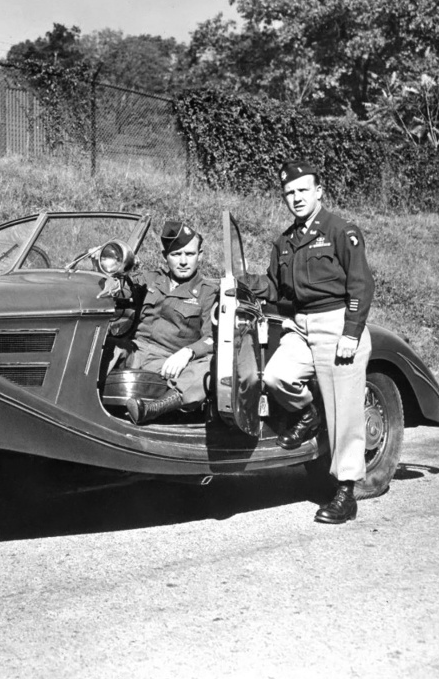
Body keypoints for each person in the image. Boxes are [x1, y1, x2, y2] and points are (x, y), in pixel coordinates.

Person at [245, 160, 375, 524]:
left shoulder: (340, 230)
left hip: (336, 326)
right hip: (300, 325)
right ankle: (308, 414)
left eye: (303, 190)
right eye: (289, 192)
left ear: (319, 192)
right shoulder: (285, 241)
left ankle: (346, 492)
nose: (296, 197)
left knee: (345, 412)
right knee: (276, 376)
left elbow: (360, 285)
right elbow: (275, 288)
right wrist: (245, 283)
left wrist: (351, 332)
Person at [123, 221, 217, 425]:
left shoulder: (207, 292)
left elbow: (213, 338)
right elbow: (121, 289)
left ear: (200, 255)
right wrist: (106, 270)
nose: (183, 261)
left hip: (168, 363)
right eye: (176, 254)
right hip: (133, 351)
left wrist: (188, 352)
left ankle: (153, 409)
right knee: (95, 346)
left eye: (190, 254)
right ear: (165, 256)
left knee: (211, 367)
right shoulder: (150, 279)